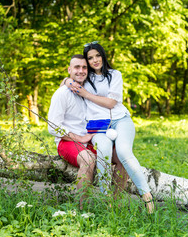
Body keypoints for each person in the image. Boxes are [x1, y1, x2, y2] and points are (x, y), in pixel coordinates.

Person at [64, 42, 154, 213]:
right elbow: (66, 81)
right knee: (103, 150)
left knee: (124, 152)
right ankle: (107, 200)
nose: (95, 60)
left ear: (103, 56)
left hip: (120, 120)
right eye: (90, 58)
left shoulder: (115, 75)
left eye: (97, 55)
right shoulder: (85, 77)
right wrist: (68, 80)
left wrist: (86, 94)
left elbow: (112, 103)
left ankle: (147, 196)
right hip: (98, 126)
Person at [48, 54, 96, 209]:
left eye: (84, 67)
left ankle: (115, 206)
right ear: (69, 70)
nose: (81, 71)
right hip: (67, 142)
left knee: (118, 156)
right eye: (77, 67)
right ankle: (83, 209)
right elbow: (53, 126)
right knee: (88, 159)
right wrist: (79, 138)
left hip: (89, 140)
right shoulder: (62, 93)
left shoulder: (88, 91)